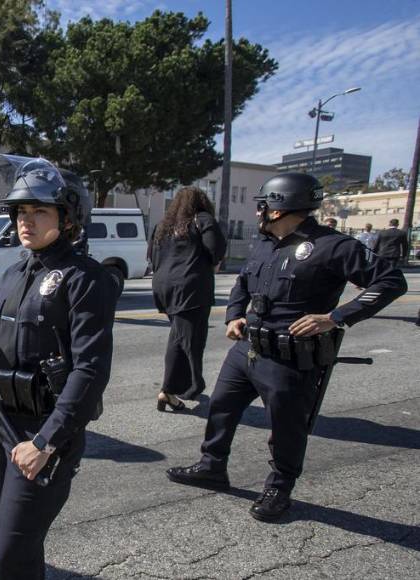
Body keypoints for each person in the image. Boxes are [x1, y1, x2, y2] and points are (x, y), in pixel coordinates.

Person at [166, 173, 407, 522]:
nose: (258, 212)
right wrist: (235, 315)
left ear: (278, 209)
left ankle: (280, 488)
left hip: (290, 359)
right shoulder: (265, 243)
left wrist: (337, 317)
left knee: (286, 427)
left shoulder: (334, 246)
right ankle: (211, 466)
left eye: (262, 205)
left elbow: (390, 281)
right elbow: (243, 282)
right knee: (221, 407)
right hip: (247, 349)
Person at [0, 154, 116, 579]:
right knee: (17, 543)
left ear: (67, 218)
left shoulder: (86, 278)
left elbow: (91, 370)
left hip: (43, 432)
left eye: (39, 211)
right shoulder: (13, 272)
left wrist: (46, 442)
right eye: (21, 212)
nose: (25, 221)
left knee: (10, 551)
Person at [148, 187, 226, 411]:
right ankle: (183, 387)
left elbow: (152, 258)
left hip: (164, 286)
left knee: (178, 337)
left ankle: (169, 391)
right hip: (191, 287)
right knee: (192, 341)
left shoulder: (163, 225)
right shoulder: (202, 220)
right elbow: (216, 251)